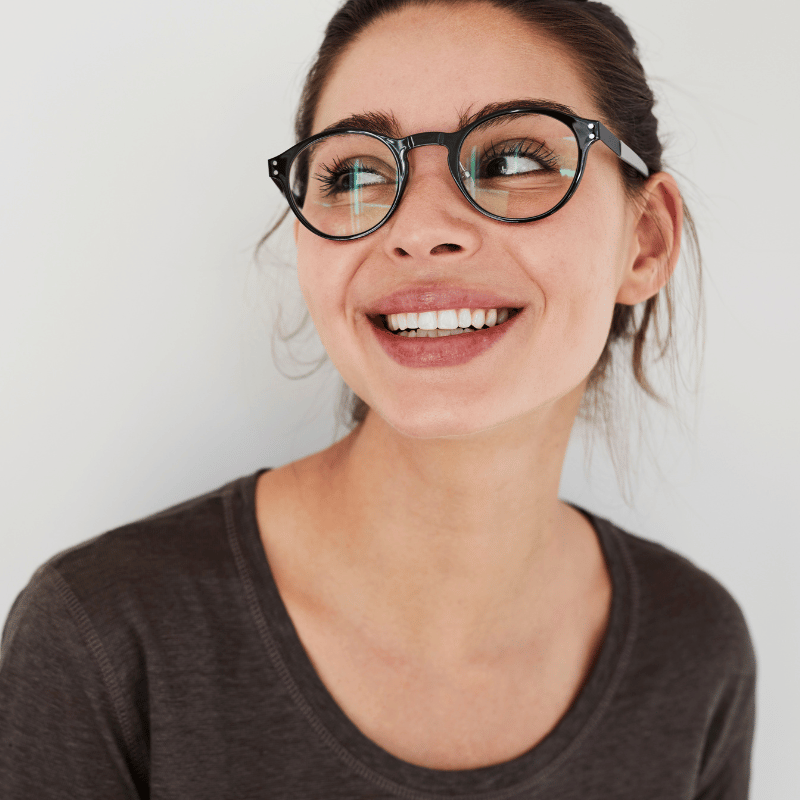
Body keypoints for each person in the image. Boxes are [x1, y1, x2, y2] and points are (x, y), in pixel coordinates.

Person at [0, 0, 756, 797]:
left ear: (647, 241)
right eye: (356, 173)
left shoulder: (695, 648)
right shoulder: (102, 636)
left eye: (512, 160)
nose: (420, 227)